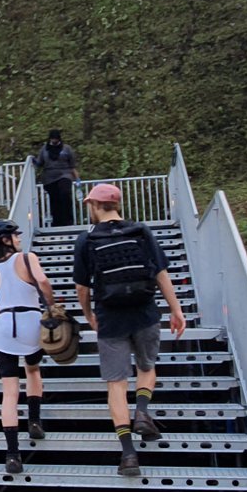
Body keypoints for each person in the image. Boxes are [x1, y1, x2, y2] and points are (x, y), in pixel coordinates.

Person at [74, 183, 187, 476]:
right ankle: (142, 411)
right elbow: (160, 272)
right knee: (147, 367)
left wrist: (88, 314)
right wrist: (176, 309)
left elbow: (82, 287)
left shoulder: (86, 240)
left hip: (110, 318)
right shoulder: (141, 231)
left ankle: (128, 455)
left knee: (116, 384)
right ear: (116, 205)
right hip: (145, 312)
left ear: (95, 206)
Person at [0, 219, 55, 476]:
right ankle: (34, 421)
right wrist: (52, 304)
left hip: (4, 327)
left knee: (9, 391)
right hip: (30, 323)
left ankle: (13, 455)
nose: (19, 238)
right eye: (15, 234)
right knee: (33, 371)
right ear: (6, 239)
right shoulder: (27, 258)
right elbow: (43, 282)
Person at [35, 130, 79, 228]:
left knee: (65, 194)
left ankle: (68, 221)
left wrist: (77, 179)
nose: (54, 141)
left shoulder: (67, 148)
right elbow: (39, 163)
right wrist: (33, 161)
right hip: (49, 177)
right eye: (52, 139)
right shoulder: (44, 149)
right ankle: (57, 222)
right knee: (54, 200)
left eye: (56, 139)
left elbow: (72, 165)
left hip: (65, 174)